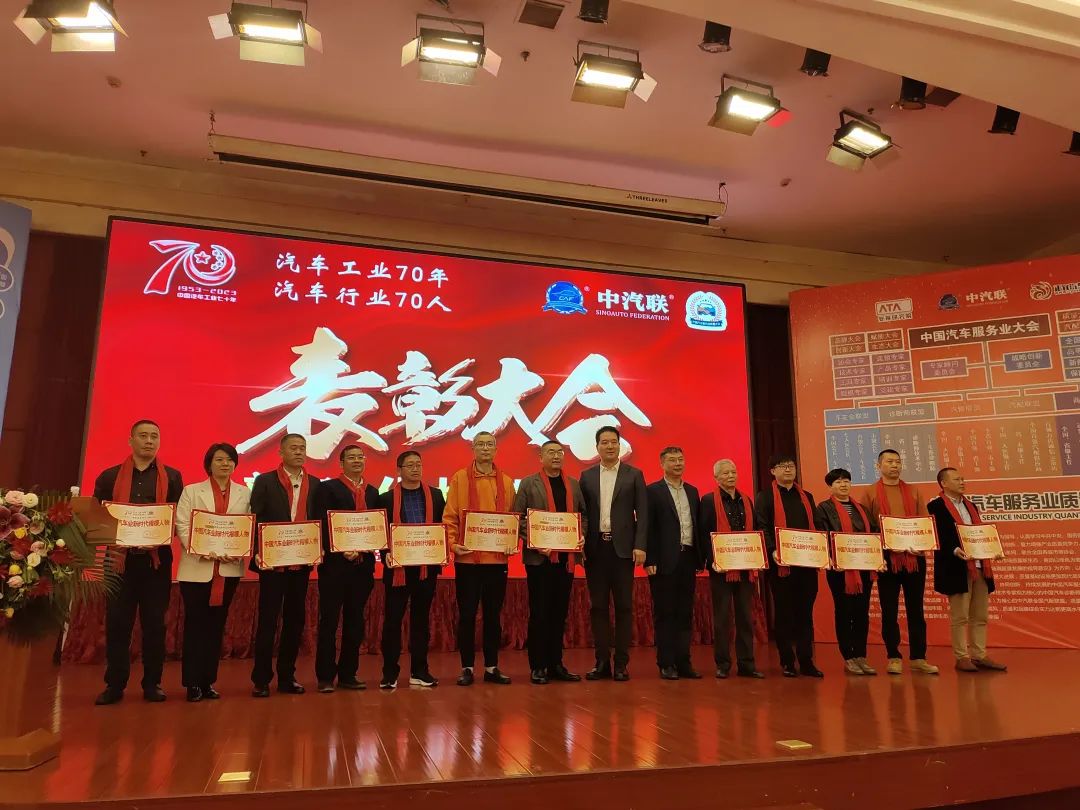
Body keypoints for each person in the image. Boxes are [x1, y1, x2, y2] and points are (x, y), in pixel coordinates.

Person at [93, 419, 184, 706]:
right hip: (119, 562)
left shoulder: (172, 477)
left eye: (154, 436)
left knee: (155, 625)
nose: (149, 441)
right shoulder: (109, 477)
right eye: (143, 436)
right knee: (118, 624)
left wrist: (157, 535)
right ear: (130, 440)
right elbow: (97, 518)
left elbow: (176, 518)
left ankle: (152, 683)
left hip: (156, 563)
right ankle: (115, 684)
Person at [175, 443, 250, 702]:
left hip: (228, 568)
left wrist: (238, 549)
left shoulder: (244, 493)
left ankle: (208, 681)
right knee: (196, 625)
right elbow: (182, 524)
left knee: (216, 626)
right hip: (197, 568)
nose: (225, 464)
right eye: (219, 460)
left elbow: (246, 526)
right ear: (209, 464)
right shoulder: (191, 491)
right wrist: (201, 549)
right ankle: (192, 683)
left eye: (229, 460)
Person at [249, 433, 319, 697]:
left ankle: (287, 677)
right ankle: (261, 680)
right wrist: (258, 552)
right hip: (272, 564)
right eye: (293, 448)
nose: (299, 452)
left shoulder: (315, 483)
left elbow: (318, 520)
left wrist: (318, 547)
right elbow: (254, 518)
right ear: (281, 452)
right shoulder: (265, 481)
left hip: (300, 563)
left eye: (302, 448)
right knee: (268, 620)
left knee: (294, 621)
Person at [445, 431, 516, 686]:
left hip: (497, 561)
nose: (485, 448)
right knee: (467, 616)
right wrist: (453, 544)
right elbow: (450, 516)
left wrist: (511, 542)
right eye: (480, 444)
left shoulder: (506, 481)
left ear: (496, 450)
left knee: (493, 617)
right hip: (468, 561)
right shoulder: (459, 478)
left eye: (489, 445)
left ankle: (491, 667)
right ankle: (466, 667)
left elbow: (512, 518)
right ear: (473, 449)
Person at [513, 440, 587, 685]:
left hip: (566, 559)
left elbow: (583, 516)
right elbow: (518, 518)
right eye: (550, 452)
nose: (556, 456)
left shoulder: (573, 484)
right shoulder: (528, 483)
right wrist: (535, 541)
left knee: (559, 613)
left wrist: (581, 535)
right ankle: (538, 666)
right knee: (540, 613)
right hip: (539, 559)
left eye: (559, 452)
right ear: (541, 457)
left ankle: (556, 664)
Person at [860, 449, 939, 676]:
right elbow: (866, 527)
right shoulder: (870, 493)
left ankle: (918, 657)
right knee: (889, 610)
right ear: (879, 466)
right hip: (887, 559)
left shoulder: (913, 491)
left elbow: (924, 522)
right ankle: (893, 656)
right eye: (889, 461)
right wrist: (883, 547)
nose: (894, 465)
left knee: (916, 609)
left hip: (914, 557)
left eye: (897, 461)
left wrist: (921, 544)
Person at [580, 425, 648, 681]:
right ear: (597, 447)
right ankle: (601, 663)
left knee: (624, 607)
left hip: (623, 550)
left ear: (619, 445)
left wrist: (640, 545)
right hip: (596, 549)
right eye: (604, 442)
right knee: (598, 607)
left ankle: (621, 664)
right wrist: (579, 545)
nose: (609, 446)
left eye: (613, 442)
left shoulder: (634, 475)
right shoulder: (586, 476)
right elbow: (581, 515)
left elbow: (643, 513)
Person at [313, 444, 380, 693]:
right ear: (341, 463)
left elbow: (376, 526)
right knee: (329, 621)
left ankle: (348, 674)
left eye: (360, 457)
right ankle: (325, 677)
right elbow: (322, 523)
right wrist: (341, 549)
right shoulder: (328, 488)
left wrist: (364, 547)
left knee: (355, 621)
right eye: (351, 458)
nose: (357, 461)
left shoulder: (372, 492)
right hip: (334, 566)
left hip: (363, 568)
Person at [378, 451, 446, 689]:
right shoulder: (386, 499)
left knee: (421, 621)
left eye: (419, 464)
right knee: (393, 622)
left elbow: (443, 528)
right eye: (410, 465)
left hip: (426, 568)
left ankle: (420, 671)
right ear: (399, 470)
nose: (416, 469)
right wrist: (385, 553)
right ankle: (390, 673)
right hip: (398, 569)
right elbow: (379, 533)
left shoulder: (436, 496)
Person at [929, 468, 1007, 673]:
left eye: (963, 479)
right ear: (944, 483)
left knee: (980, 615)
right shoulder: (935, 506)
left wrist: (992, 549)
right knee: (960, 616)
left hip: (979, 565)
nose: (962, 482)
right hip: (956, 566)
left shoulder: (971, 505)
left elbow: (979, 533)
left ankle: (979, 655)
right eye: (957, 479)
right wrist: (955, 549)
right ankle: (961, 657)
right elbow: (938, 535)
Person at [754, 453, 824, 679]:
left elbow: (816, 525)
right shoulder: (765, 497)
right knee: (784, 613)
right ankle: (787, 661)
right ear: (772, 471)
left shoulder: (806, 496)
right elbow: (762, 526)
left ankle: (806, 660)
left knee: (805, 613)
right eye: (782, 466)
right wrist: (773, 549)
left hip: (806, 564)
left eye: (791, 466)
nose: (788, 470)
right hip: (781, 565)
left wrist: (821, 549)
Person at [699, 459, 763, 680]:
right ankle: (723, 664)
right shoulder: (709, 501)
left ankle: (747, 664)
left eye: (733, 472)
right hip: (721, 568)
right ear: (716, 478)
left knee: (745, 616)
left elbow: (755, 530)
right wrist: (712, 559)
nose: (730, 476)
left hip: (745, 566)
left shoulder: (747, 499)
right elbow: (704, 534)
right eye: (725, 473)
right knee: (722, 618)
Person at [645, 446, 703, 680]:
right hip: (663, 561)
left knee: (685, 613)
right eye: (672, 460)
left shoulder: (692, 491)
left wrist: (700, 557)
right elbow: (647, 527)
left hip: (688, 557)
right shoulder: (653, 491)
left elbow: (696, 525)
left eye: (680, 459)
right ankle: (666, 663)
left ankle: (684, 662)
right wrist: (649, 558)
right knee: (665, 613)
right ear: (662, 464)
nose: (678, 463)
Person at [817, 468, 877, 676]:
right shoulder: (824, 509)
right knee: (844, 611)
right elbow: (823, 535)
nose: (843, 485)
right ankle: (848, 657)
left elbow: (874, 534)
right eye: (838, 482)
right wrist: (834, 558)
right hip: (840, 569)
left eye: (846, 481)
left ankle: (861, 655)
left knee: (862, 612)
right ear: (830, 486)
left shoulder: (862, 509)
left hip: (863, 567)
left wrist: (877, 559)